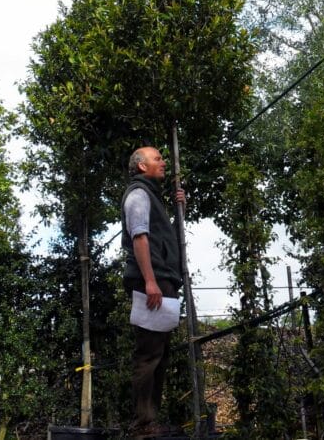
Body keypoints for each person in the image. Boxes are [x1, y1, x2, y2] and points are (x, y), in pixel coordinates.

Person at [121, 146, 185, 436]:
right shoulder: (138, 194)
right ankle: (143, 424)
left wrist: (179, 207)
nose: (163, 162)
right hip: (153, 281)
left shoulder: (152, 196)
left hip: (162, 281)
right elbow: (140, 237)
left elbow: (158, 234)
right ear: (142, 166)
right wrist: (149, 281)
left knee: (160, 353)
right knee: (148, 354)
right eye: (157, 158)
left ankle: (150, 421)